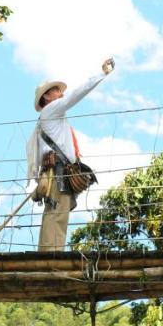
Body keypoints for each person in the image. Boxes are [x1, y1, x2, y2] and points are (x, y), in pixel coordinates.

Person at [26, 57, 116, 252]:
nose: (61, 93)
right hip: (58, 170)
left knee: (57, 213)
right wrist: (101, 74)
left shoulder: (50, 116)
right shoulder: (51, 110)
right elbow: (76, 95)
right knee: (57, 215)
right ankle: (51, 256)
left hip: (58, 169)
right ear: (47, 97)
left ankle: (51, 253)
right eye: (56, 90)